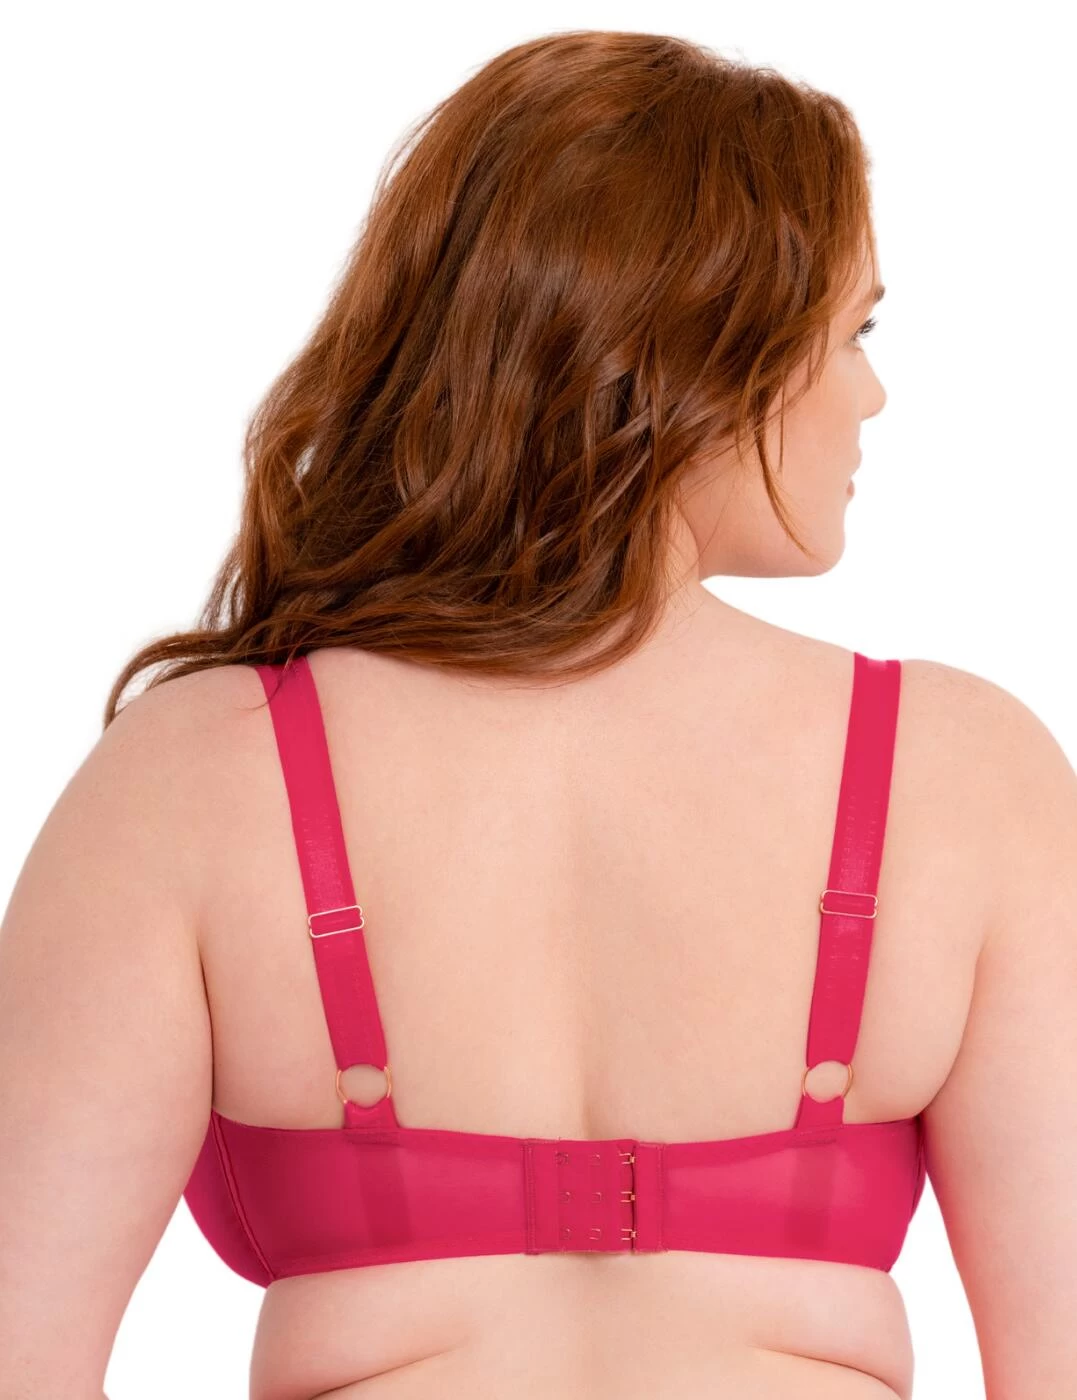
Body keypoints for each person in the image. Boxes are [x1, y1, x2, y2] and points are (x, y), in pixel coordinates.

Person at [2, 28, 1075, 1400]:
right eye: (853, 331)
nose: (873, 393)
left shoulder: (192, 773)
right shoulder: (966, 775)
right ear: (692, 356)